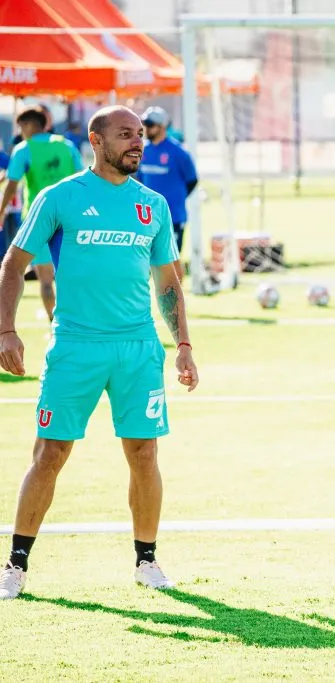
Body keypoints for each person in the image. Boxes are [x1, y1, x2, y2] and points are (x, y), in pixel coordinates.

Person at [0, 105, 199, 600]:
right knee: (51, 453)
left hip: (138, 349)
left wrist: (185, 347)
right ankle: (16, 565)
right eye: (125, 134)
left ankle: (147, 561)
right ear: (95, 139)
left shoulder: (152, 204)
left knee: (144, 453)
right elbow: (12, 264)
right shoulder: (60, 197)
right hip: (75, 347)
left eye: (140, 135)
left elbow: (168, 284)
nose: (137, 142)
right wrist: (6, 330)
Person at [0, 107, 84, 324]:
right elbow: (83, 180)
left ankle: (54, 325)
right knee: (72, 277)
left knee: (46, 280)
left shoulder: (23, 149)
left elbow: (11, 186)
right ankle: (77, 322)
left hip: (38, 220)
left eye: (21, 127)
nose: (21, 132)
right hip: (70, 218)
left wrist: (0, 214)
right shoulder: (66, 145)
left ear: (29, 125)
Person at [137, 106, 199, 256]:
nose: (146, 129)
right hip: (147, 218)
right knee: (147, 261)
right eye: (144, 125)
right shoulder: (142, 150)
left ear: (162, 127)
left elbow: (192, 180)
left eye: (150, 125)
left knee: (171, 261)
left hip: (173, 216)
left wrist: (176, 198)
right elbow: (139, 179)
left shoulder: (179, 152)